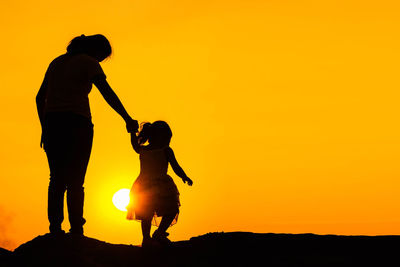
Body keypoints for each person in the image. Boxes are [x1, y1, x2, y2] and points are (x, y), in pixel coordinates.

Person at [36, 34, 138, 235]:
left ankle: (55, 227)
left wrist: (44, 127)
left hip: (53, 124)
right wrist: (126, 117)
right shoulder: (88, 62)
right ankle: (76, 229)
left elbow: (40, 97)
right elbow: (107, 92)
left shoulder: (56, 62)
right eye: (102, 57)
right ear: (97, 51)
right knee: (76, 180)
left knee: (56, 179)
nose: (100, 61)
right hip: (77, 123)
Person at [126, 121, 193, 246]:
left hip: (153, 185)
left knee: (171, 210)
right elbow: (135, 145)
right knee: (146, 214)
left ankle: (159, 232)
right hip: (148, 186)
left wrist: (184, 176)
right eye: (167, 137)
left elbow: (175, 166)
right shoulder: (147, 149)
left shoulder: (164, 150)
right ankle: (146, 238)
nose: (168, 141)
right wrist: (131, 133)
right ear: (158, 136)